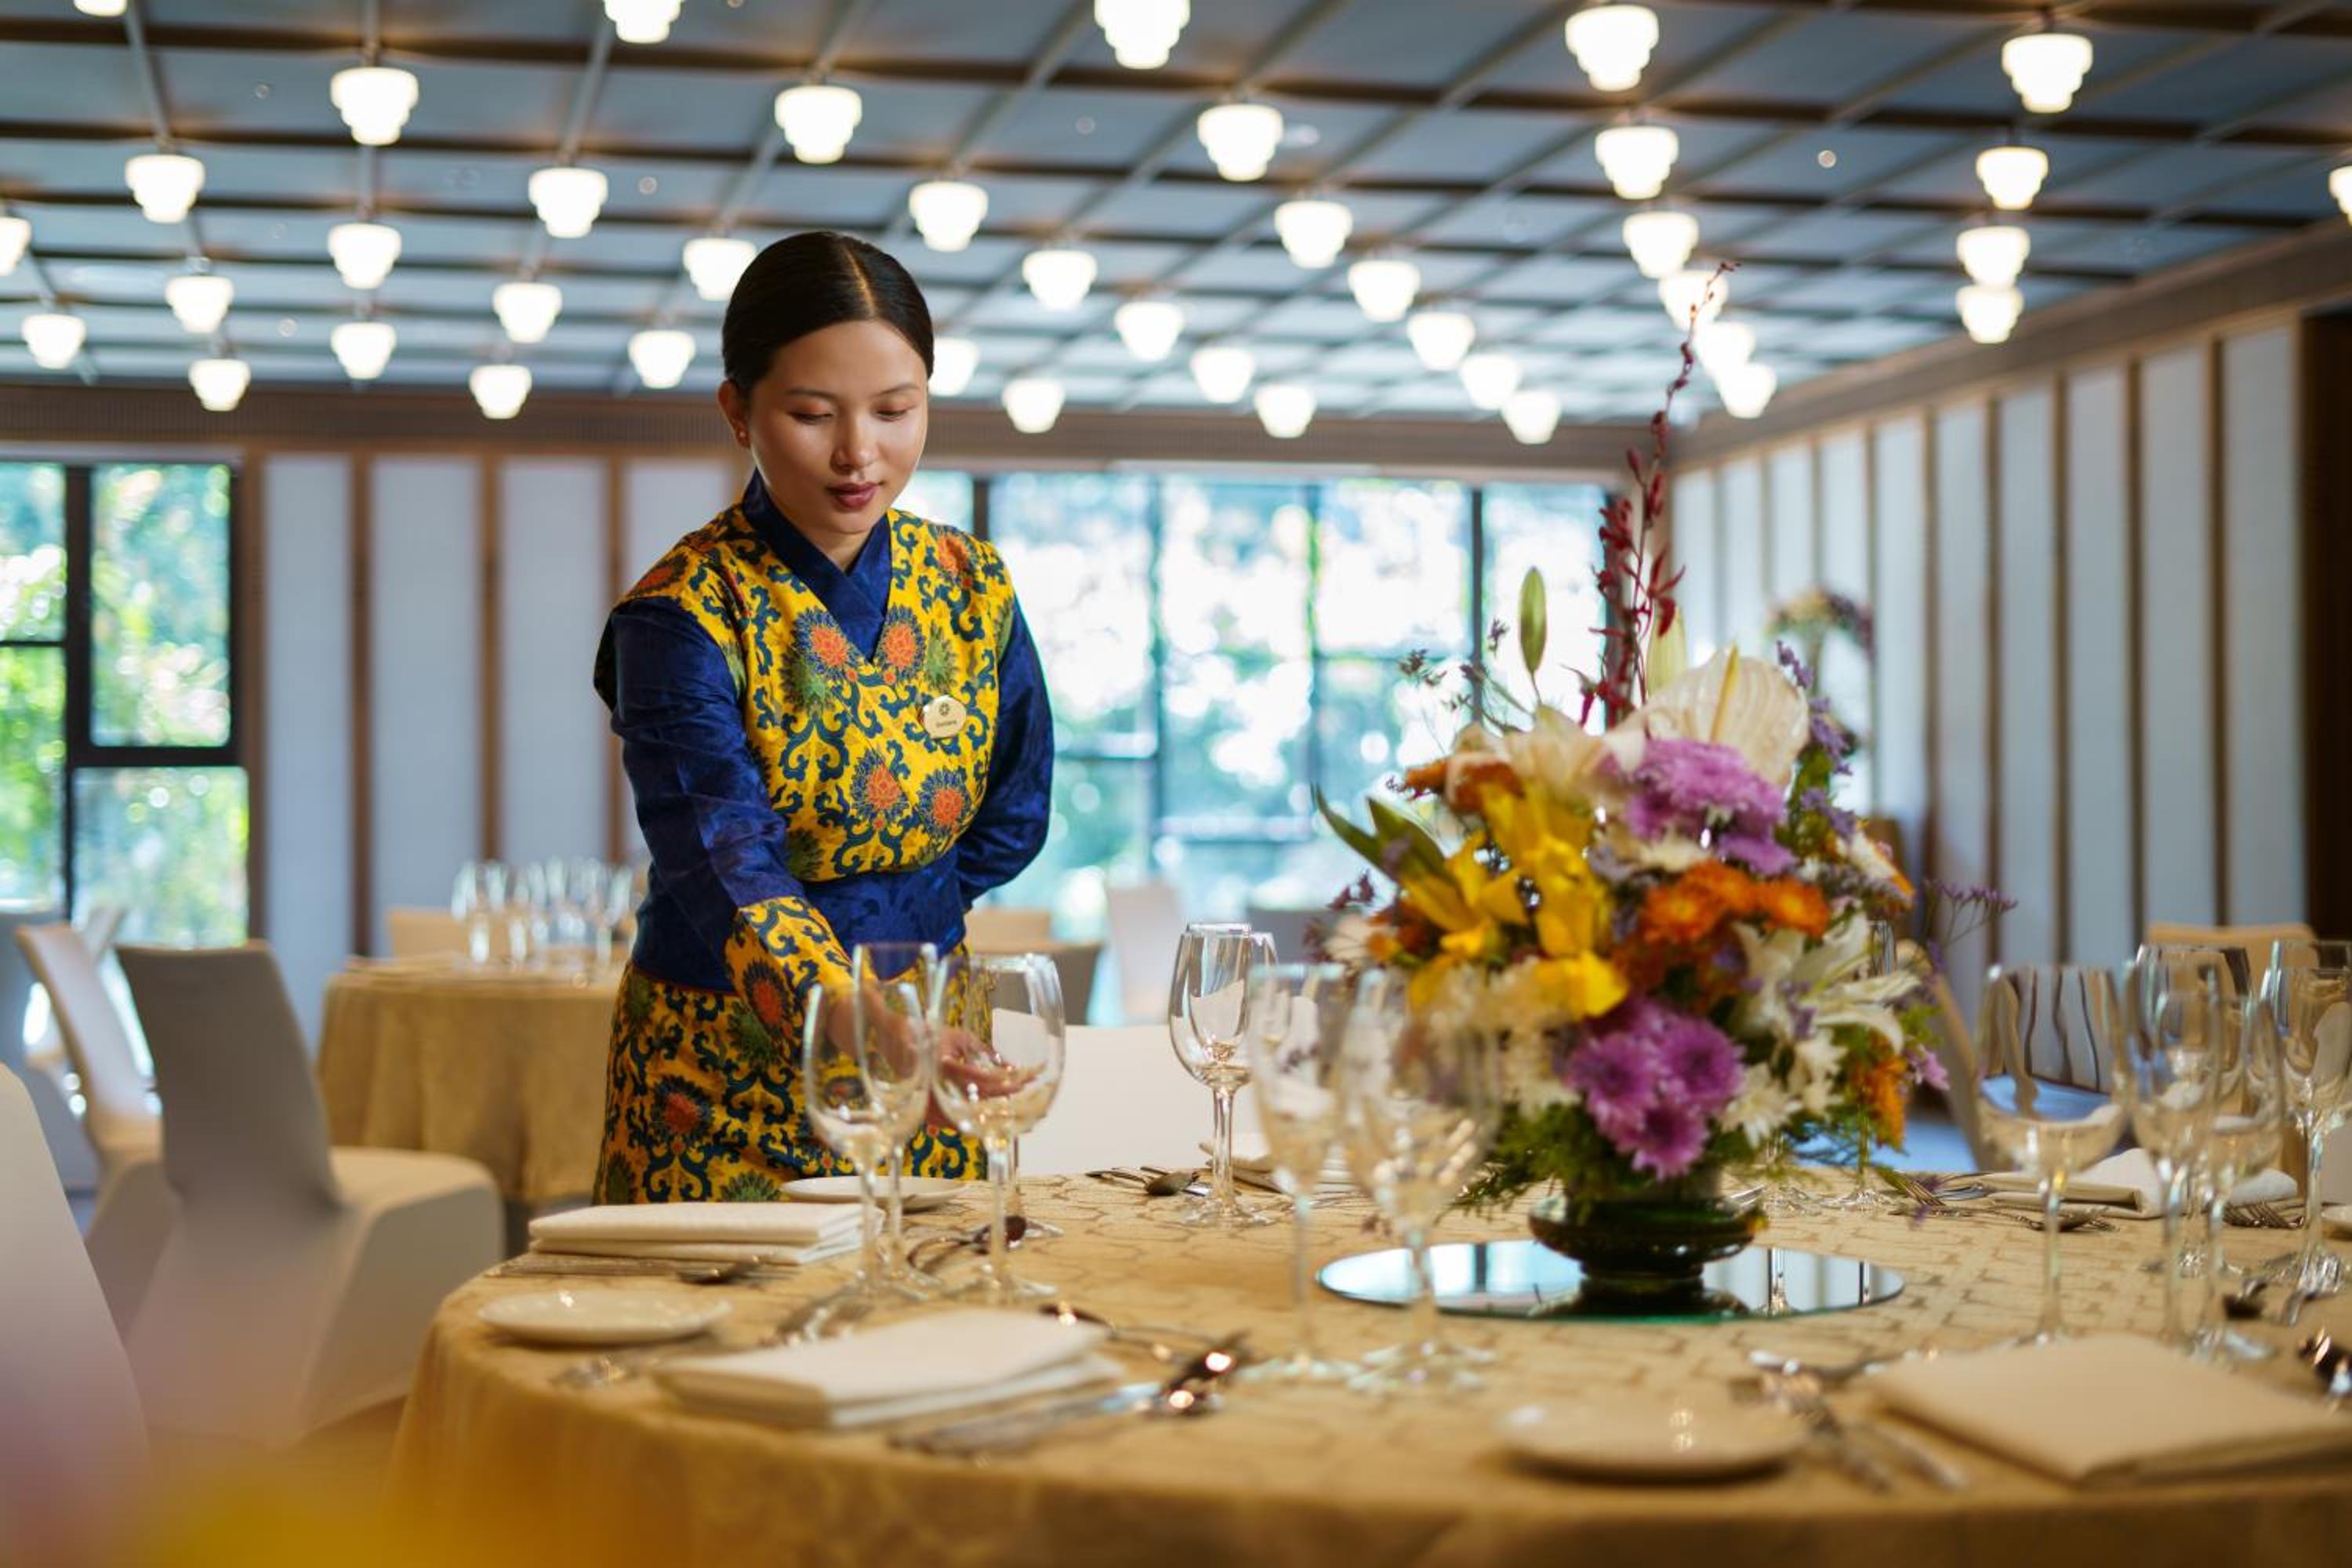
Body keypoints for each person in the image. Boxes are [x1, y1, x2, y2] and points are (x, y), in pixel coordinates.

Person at [591, 231, 1052, 1203]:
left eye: (895, 410)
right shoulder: (682, 612)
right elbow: (722, 859)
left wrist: (901, 920)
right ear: (737, 412)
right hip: (721, 1076)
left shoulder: (971, 582)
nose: (859, 453)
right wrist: (860, 998)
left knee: (931, 1287)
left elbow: (1015, 811)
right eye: (812, 413)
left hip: (933, 1050)